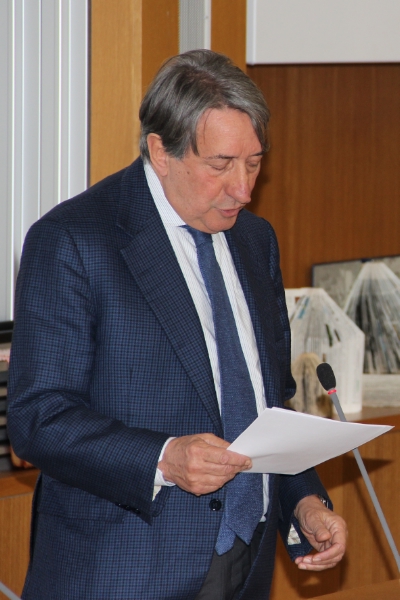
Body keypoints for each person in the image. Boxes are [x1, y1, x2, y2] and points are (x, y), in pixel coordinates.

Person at [8, 50, 347, 600]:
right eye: (221, 165)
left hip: (246, 565)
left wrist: (303, 501)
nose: (243, 189)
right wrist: (163, 457)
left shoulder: (255, 240)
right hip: (122, 572)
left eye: (254, 163)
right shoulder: (74, 240)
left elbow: (266, 406)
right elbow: (38, 416)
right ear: (160, 151)